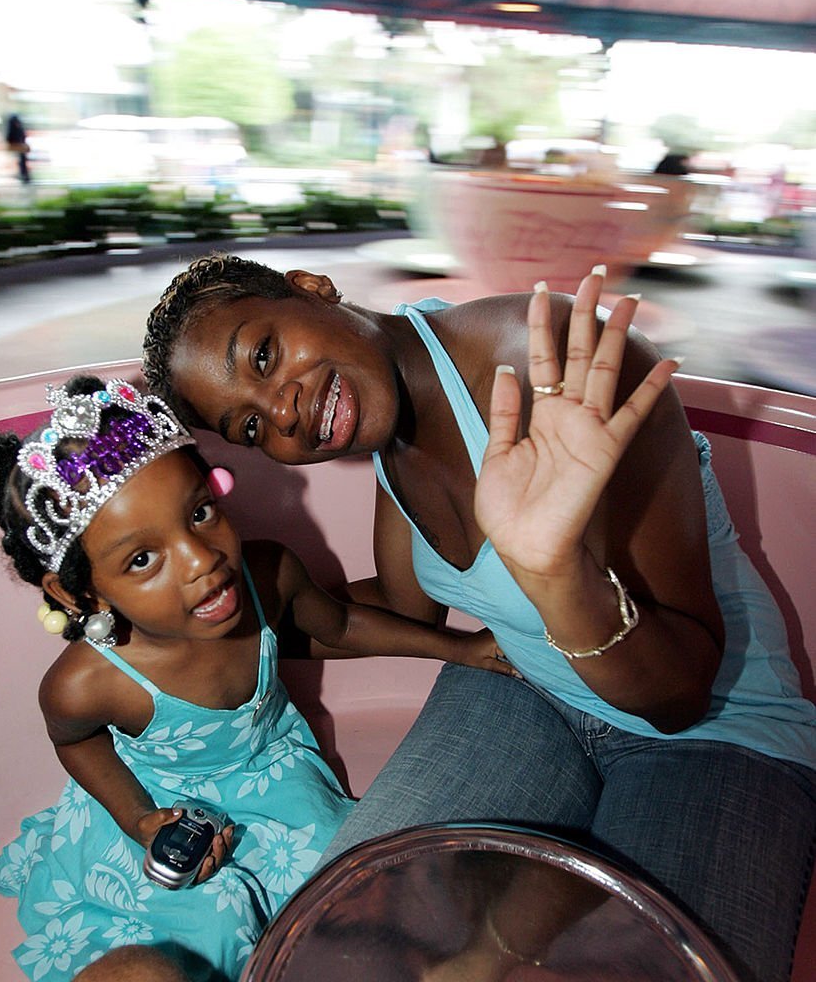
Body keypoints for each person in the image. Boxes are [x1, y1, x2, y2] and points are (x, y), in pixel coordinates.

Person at [142, 254, 816, 982]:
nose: (282, 412)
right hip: (521, 687)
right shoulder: (383, 419)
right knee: (341, 944)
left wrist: (555, 576)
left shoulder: (538, 365)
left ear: (311, 290)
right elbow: (405, 607)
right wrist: (235, 618)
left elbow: (675, 697)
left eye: (264, 355)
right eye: (249, 426)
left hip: (712, 730)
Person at [0, 375, 513, 982]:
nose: (203, 560)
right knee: (202, 932)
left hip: (273, 776)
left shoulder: (268, 573)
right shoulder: (87, 684)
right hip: (161, 809)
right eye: (143, 559)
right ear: (78, 593)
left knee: (356, 890)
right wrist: (140, 819)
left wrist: (459, 647)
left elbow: (338, 627)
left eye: (200, 512)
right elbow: (77, 741)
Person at [5, 113, 31, 184]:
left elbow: (22, 137)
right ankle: (24, 176)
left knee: (22, 161)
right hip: (18, 147)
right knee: (21, 161)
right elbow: (10, 138)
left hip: (19, 147)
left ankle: (24, 176)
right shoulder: (15, 128)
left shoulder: (17, 128)